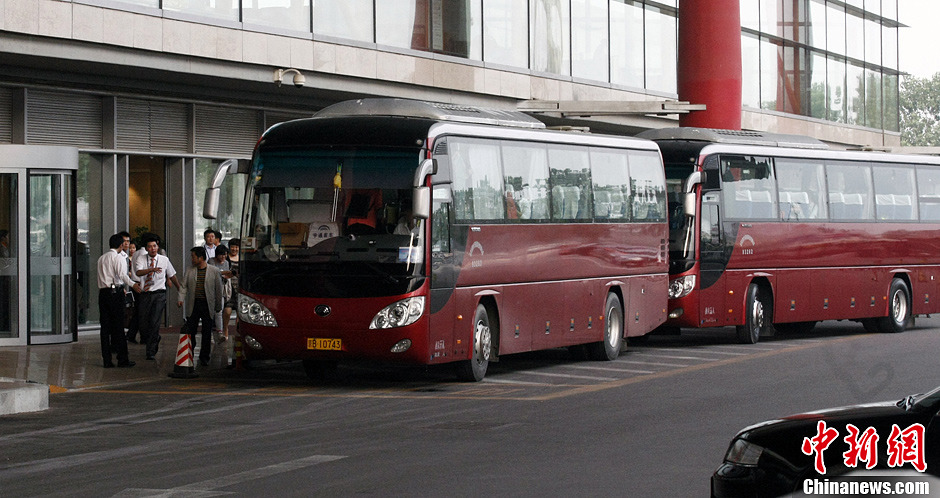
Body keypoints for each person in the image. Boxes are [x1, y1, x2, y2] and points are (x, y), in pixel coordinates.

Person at [96, 233, 140, 368]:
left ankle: (107, 360)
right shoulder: (118, 258)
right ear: (121, 245)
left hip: (103, 293)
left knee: (105, 328)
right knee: (118, 326)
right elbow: (122, 275)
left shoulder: (101, 258)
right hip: (115, 293)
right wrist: (133, 285)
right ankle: (122, 359)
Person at [134, 235, 180, 360]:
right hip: (145, 294)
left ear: (158, 246)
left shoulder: (164, 259)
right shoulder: (141, 258)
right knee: (143, 323)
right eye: (150, 247)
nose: (152, 249)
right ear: (146, 248)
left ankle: (151, 350)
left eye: (154, 246)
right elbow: (138, 272)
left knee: (155, 321)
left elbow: (172, 275)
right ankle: (155, 337)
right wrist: (151, 270)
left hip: (159, 294)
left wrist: (179, 288)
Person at [177, 247, 223, 366]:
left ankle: (204, 357)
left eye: (193, 256)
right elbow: (183, 286)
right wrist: (181, 299)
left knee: (206, 332)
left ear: (201, 258)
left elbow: (218, 290)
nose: (191, 259)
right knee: (191, 331)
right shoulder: (189, 270)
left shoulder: (214, 271)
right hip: (194, 304)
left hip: (208, 305)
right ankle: (189, 354)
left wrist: (218, 307)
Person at [208, 244, 234, 343]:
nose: (223, 257)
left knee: (219, 311)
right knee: (210, 312)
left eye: (225, 255)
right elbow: (214, 272)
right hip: (211, 289)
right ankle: (209, 333)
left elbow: (226, 274)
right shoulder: (211, 261)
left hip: (221, 289)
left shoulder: (226, 262)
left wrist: (226, 274)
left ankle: (220, 332)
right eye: (221, 255)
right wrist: (224, 272)